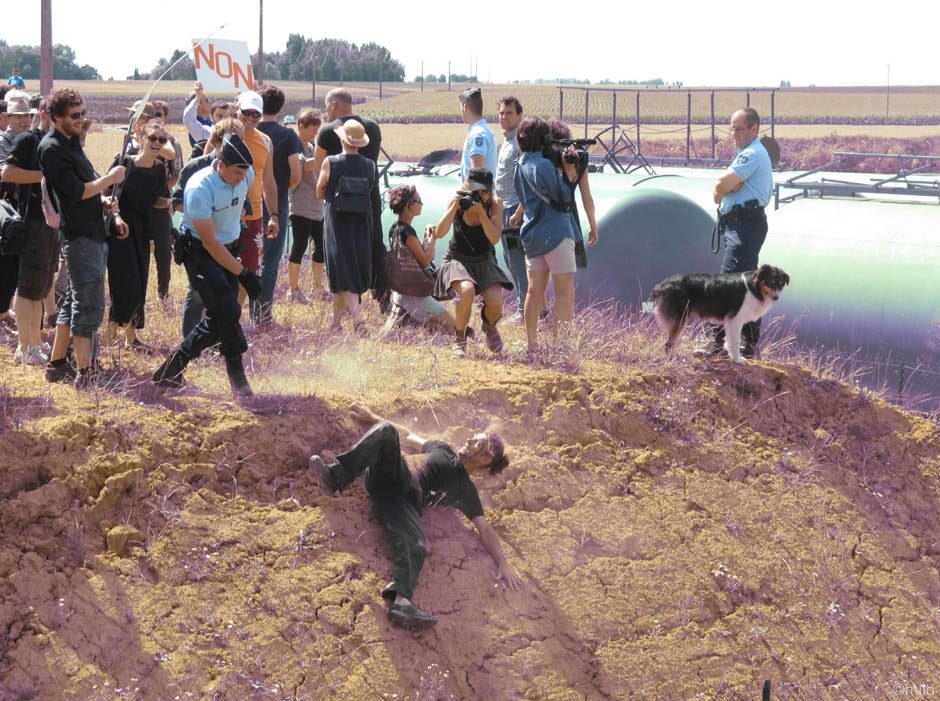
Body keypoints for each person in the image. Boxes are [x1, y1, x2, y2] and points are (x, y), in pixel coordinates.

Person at [308, 403, 522, 630]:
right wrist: (372, 417)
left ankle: (401, 602)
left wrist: (503, 561)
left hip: (401, 503)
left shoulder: (466, 491)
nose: (469, 440)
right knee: (387, 431)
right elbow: (408, 435)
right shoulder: (443, 449)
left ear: (486, 459)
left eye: (476, 442)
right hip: (395, 475)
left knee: (418, 544)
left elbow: (484, 528)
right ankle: (336, 476)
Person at [152, 134, 261, 397]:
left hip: (229, 249)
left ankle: (171, 370)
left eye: (244, 172)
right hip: (200, 253)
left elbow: (244, 198)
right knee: (227, 308)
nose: (242, 178)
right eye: (237, 173)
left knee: (225, 314)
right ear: (221, 164)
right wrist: (244, 273)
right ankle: (236, 376)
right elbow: (210, 243)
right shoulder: (199, 188)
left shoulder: (246, 174)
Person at [39, 88, 128, 388]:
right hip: (79, 237)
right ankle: (85, 373)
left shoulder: (71, 143)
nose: (81, 120)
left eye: (83, 114)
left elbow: (85, 187)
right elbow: (75, 191)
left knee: (72, 303)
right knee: (87, 306)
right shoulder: (51, 148)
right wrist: (110, 180)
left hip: (92, 231)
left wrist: (102, 201)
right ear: (56, 117)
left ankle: (56, 364)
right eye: (75, 115)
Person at [706, 107, 774, 359]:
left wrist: (725, 189)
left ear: (754, 129)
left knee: (729, 283)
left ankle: (720, 343)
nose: (733, 134)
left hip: (746, 225)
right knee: (745, 283)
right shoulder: (745, 153)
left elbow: (720, 184)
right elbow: (720, 189)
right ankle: (745, 344)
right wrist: (725, 189)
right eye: (732, 129)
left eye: (738, 129)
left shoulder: (752, 154)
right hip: (741, 225)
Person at [313, 88, 389, 312]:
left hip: (339, 205)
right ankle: (383, 298)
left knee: (341, 251)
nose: (327, 111)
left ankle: (349, 305)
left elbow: (318, 166)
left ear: (334, 105)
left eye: (327, 106)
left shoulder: (327, 130)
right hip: (368, 199)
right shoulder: (372, 127)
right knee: (373, 246)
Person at [171, 118, 245, 338]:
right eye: (229, 141)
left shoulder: (241, 169)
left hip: (228, 242)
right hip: (198, 243)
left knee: (226, 292)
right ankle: (190, 339)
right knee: (198, 293)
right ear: (216, 141)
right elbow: (177, 202)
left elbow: (245, 204)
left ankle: (219, 340)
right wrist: (208, 213)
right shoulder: (195, 168)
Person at [1, 95, 60, 366]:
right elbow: (7, 173)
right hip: (32, 220)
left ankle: (34, 342)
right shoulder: (28, 140)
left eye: (27, 114)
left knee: (41, 286)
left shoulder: (54, 142)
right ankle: (25, 347)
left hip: (50, 222)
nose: (25, 119)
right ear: (46, 115)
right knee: (28, 288)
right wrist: (47, 176)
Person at [431, 167, 512, 357]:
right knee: (466, 291)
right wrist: (455, 206)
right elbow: (439, 233)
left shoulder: (495, 204)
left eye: (484, 191)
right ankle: (460, 338)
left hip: (483, 259)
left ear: (490, 191)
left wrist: (482, 213)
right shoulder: (458, 201)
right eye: (476, 190)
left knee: (495, 302)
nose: (479, 195)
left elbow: (494, 238)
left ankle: (489, 326)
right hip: (457, 258)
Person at [513, 116, 577, 353]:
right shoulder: (544, 166)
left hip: (532, 235)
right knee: (564, 290)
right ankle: (559, 346)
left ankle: (532, 344)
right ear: (543, 140)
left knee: (533, 290)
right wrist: (568, 172)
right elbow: (563, 197)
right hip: (556, 233)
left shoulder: (519, 166)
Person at [105, 120, 170, 350]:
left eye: (162, 139)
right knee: (124, 280)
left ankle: (126, 336)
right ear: (141, 138)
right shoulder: (125, 163)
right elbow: (106, 194)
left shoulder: (159, 169)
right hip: (120, 229)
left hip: (142, 231)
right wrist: (116, 217)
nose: (157, 143)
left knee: (140, 280)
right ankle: (115, 334)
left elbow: (157, 200)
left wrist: (171, 203)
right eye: (153, 138)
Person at [316, 119, 375, 332]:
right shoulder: (370, 165)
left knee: (341, 269)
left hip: (337, 221)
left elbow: (320, 190)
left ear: (342, 139)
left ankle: (358, 321)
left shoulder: (331, 162)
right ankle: (336, 323)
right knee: (348, 268)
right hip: (361, 221)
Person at [253, 84, 302, 324]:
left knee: (246, 257)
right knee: (270, 260)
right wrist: (283, 189)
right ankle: (263, 314)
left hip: (249, 201)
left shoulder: (248, 131)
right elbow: (296, 173)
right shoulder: (288, 135)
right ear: (281, 107)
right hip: (277, 203)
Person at [382, 185, 455, 335]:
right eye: (418, 200)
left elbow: (415, 256)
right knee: (456, 328)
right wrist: (433, 238)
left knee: (438, 328)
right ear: (408, 205)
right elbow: (425, 261)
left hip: (400, 292)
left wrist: (426, 238)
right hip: (415, 295)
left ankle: (418, 322)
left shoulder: (395, 228)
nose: (422, 203)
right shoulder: (407, 231)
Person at [234, 91, 279, 309]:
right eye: (247, 112)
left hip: (254, 218)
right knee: (219, 268)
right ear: (237, 109)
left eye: (256, 114)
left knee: (249, 271)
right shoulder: (224, 134)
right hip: (225, 215)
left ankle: (234, 314)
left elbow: (268, 182)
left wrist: (274, 216)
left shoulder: (266, 141)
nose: (251, 118)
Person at [286, 108, 325, 303]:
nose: (315, 133)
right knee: (299, 247)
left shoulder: (314, 147)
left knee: (321, 247)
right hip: (300, 206)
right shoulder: (294, 148)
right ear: (301, 126)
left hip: (317, 207)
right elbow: (307, 166)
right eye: (312, 129)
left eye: (317, 129)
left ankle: (318, 288)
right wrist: (326, 155)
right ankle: (293, 290)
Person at [495, 96, 526, 321]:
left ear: (519, 116)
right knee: (509, 259)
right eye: (501, 113)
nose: (504, 117)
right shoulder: (507, 141)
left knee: (517, 260)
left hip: (514, 209)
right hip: (503, 207)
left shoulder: (520, 143)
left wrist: (519, 211)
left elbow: (526, 180)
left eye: (509, 113)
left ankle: (524, 309)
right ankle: (528, 306)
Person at [458, 87, 497, 180]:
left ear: (464, 106)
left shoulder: (478, 134)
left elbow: (475, 176)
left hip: (477, 189)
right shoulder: (480, 131)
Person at [182, 81, 230, 153]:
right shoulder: (207, 132)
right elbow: (188, 120)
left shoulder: (234, 133)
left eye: (227, 116)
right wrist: (198, 97)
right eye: (220, 116)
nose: (224, 119)